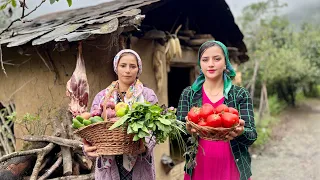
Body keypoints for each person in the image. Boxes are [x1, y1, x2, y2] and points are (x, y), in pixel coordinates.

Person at [176, 41, 257, 180]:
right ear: (200, 64)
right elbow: (177, 133)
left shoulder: (240, 94)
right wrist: (187, 130)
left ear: (226, 63)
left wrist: (241, 132)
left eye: (217, 59)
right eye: (205, 59)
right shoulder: (188, 94)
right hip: (198, 168)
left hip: (232, 168)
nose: (211, 64)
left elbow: (252, 136)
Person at [83, 49, 158, 180]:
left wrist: (144, 146)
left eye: (132, 66)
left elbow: (154, 129)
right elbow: (92, 129)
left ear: (138, 69)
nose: (127, 70)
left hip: (139, 162)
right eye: (123, 65)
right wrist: (87, 148)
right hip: (109, 164)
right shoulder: (102, 97)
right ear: (116, 67)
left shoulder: (147, 95)